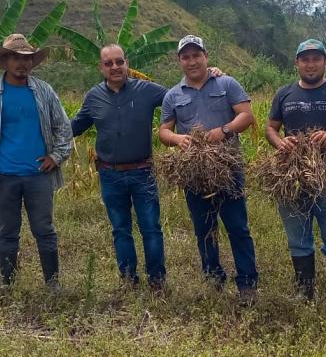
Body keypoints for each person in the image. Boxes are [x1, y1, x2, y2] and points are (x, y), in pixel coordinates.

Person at [71, 44, 223, 292]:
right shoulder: (93, 97)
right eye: (108, 63)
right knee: (120, 230)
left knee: (151, 228)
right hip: (109, 173)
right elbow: (74, 127)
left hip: (142, 171)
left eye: (119, 62)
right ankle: (129, 279)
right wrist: (43, 135)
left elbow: (180, 96)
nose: (115, 67)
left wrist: (208, 75)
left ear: (126, 63)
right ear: (101, 67)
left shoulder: (147, 90)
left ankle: (157, 280)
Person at [158, 35, 258, 306]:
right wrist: (179, 139)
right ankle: (214, 279)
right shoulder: (173, 95)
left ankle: (247, 283)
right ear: (179, 61)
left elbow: (246, 116)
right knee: (204, 229)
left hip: (228, 169)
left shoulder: (226, 83)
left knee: (237, 227)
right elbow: (163, 131)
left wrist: (223, 131)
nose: (192, 61)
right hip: (194, 173)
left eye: (196, 55)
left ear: (206, 56)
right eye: (186, 56)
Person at [265, 38, 326, 311]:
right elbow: (271, 127)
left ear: (325, 62)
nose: (310, 64)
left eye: (316, 59)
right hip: (293, 178)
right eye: (305, 59)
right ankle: (304, 291)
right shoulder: (284, 94)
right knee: (298, 237)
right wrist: (279, 142)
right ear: (297, 63)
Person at [0, 34, 72, 291]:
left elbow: (63, 128)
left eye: (27, 58)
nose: (21, 63)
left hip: (38, 175)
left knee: (44, 230)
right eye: (16, 57)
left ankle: (52, 283)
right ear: (5, 61)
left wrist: (56, 156)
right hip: (3, 176)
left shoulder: (44, 92)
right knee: (8, 232)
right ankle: (7, 285)